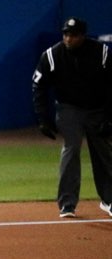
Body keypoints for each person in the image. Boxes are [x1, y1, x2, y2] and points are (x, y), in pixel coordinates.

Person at [32, 17, 112, 218]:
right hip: (69, 109)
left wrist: (109, 116)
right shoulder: (52, 55)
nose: (68, 38)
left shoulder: (101, 53)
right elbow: (39, 86)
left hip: (97, 109)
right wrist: (43, 118)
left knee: (103, 151)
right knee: (71, 147)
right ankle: (67, 204)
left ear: (83, 36)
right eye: (66, 34)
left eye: (73, 35)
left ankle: (109, 200)